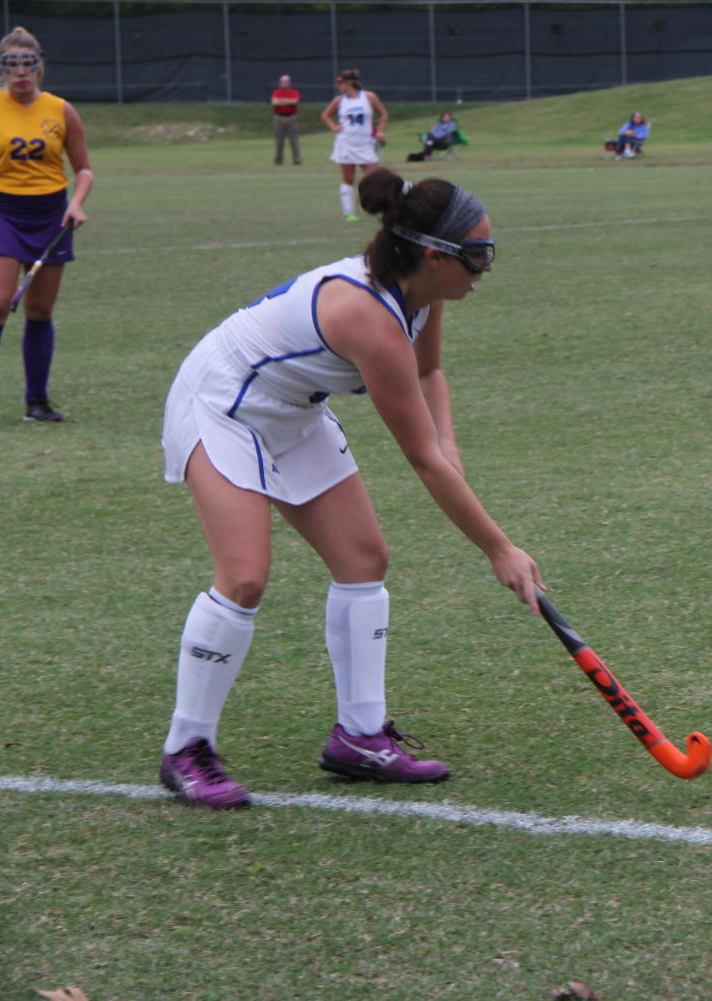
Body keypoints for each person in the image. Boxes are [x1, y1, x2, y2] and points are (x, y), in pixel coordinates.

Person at [157, 169, 544, 809]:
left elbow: (431, 374)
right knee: (245, 575)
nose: (485, 268)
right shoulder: (370, 317)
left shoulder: (424, 294)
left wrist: (452, 451)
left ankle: (360, 737)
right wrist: (500, 550)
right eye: (477, 255)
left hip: (291, 407)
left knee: (364, 558)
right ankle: (186, 748)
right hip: (221, 400)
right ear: (432, 255)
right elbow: (421, 461)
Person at [0, 26, 93, 429]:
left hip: (50, 216)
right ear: (2, 70)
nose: (20, 72)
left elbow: (84, 170)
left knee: (40, 309)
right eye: (12, 65)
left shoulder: (61, 110)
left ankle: (37, 402)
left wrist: (76, 203)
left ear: (40, 68)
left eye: (29, 64)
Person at [321, 69, 387, 221]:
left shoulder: (369, 97)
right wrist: (334, 127)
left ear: (350, 82)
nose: (338, 85)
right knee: (349, 179)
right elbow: (325, 115)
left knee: (375, 177)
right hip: (346, 144)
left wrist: (380, 132)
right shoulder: (339, 100)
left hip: (365, 144)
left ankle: (377, 207)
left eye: (340, 82)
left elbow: (383, 114)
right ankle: (349, 212)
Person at [270, 73, 302, 166]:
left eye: (285, 82)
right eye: (282, 82)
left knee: (294, 140)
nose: (283, 83)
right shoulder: (276, 92)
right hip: (279, 117)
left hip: (291, 117)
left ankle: (297, 159)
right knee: (279, 141)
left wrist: (282, 101)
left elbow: (295, 101)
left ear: (289, 82)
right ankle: (278, 160)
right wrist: (287, 101)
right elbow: (274, 102)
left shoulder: (294, 92)